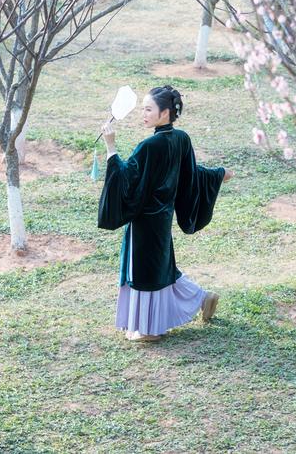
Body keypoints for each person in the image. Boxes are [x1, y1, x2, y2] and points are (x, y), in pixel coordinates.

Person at [97, 85, 234, 342]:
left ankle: (149, 329)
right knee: (162, 267)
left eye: (149, 109)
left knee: (146, 271)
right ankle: (203, 298)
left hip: (145, 222)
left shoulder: (149, 146)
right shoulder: (181, 139)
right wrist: (217, 175)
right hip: (162, 218)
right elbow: (192, 174)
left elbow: (127, 181)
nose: (144, 114)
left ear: (165, 113)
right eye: (143, 109)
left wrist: (111, 148)